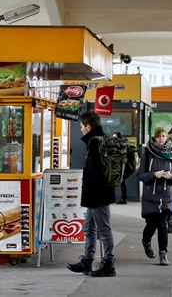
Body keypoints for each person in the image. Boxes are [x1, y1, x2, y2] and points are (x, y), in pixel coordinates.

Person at [67, 111, 116, 277]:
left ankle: (109, 264)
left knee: (103, 229)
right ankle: (87, 261)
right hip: (95, 194)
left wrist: (88, 190)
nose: (80, 130)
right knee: (88, 228)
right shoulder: (99, 140)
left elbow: (95, 173)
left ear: (88, 126)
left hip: (98, 194)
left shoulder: (96, 143)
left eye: (81, 126)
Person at [137, 127, 172, 266]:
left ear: (166, 137)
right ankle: (146, 241)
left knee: (163, 224)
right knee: (151, 224)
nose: (161, 138)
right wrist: (153, 175)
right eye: (158, 136)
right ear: (154, 138)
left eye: (163, 136)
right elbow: (140, 175)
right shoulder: (148, 153)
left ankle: (163, 254)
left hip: (167, 195)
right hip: (151, 196)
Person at [113, 131, 129, 205]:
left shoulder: (122, 143)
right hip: (116, 165)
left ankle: (124, 198)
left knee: (122, 182)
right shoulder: (115, 145)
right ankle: (123, 198)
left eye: (115, 137)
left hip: (122, 165)